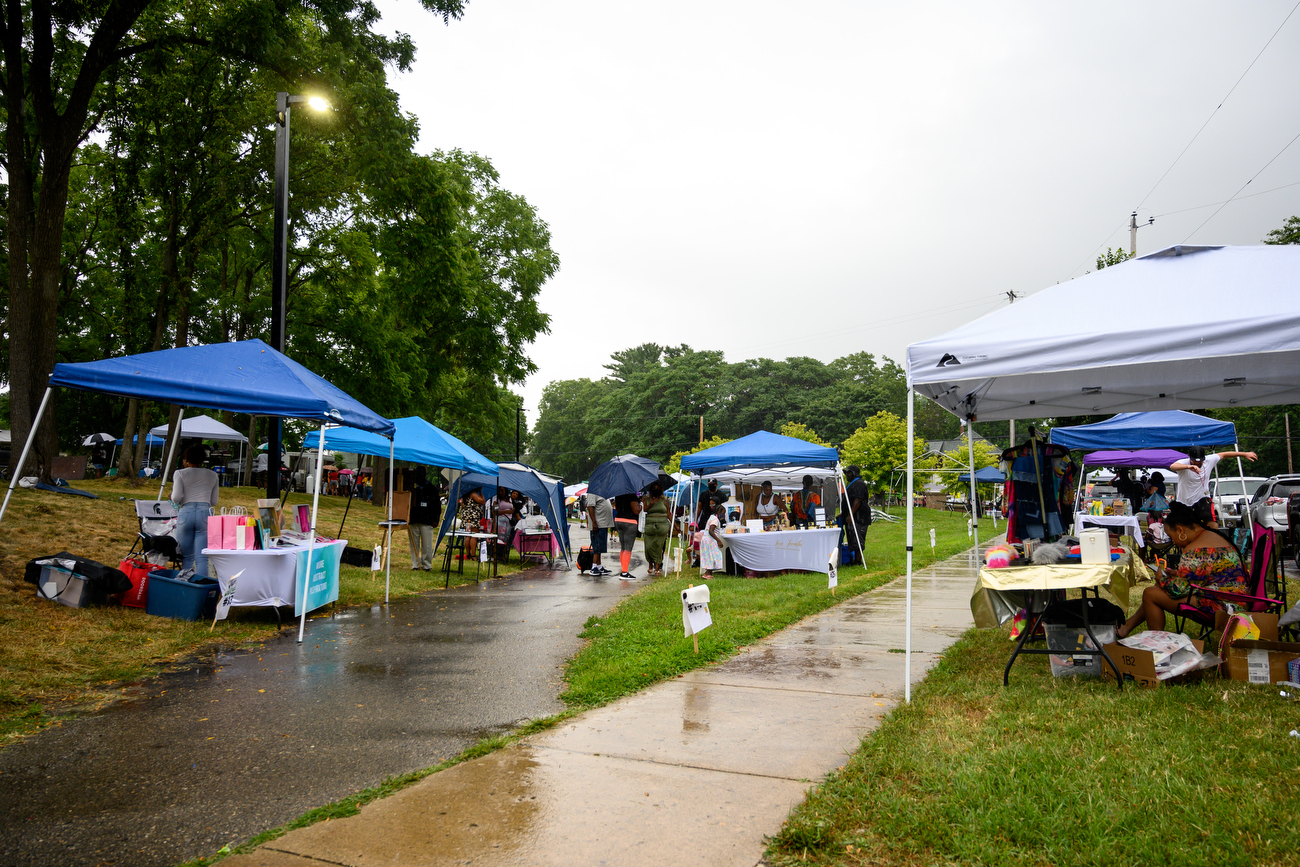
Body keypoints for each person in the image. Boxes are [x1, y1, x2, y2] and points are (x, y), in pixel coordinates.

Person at [1118, 501, 1250, 638]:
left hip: (1223, 606)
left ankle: (1157, 645)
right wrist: (1176, 574)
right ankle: (1126, 627)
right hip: (1236, 599)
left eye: (1172, 537)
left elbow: (1178, 590)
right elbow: (1207, 574)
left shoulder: (1195, 549)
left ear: (1181, 531)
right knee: (1156, 590)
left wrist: (1161, 578)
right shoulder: (1212, 536)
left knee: (1150, 594)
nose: (1174, 542)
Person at [1169, 446, 1257, 526]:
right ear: (1189, 457)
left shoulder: (1209, 460)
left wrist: (1244, 454)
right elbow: (1173, 466)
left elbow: (1224, 455)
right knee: (1184, 526)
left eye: (1200, 461)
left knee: (1212, 524)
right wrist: (1188, 467)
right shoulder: (1184, 463)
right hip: (1184, 501)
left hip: (1202, 500)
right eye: (1195, 461)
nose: (1197, 463)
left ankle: (1213, 541)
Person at [170, 444, 219, 578]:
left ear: (186, 459)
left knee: (187, 556)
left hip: (186, 512)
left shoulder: (180, 473)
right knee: (202, 558)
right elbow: (214, 501)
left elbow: (176, 497)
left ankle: (184, 584)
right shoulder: (212, 475)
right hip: (205, 512)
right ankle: (201, 584)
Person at [407, 468, 441, 571]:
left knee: (427, 545)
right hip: (414, 519)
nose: (418, 478)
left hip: (427, 520)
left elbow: (437, 506)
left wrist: (436, 519)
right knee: (414, 544)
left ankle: (426, 565)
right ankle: (415, 564)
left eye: (420, 475)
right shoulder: (411, 487)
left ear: (424, 476)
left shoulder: (431, 488)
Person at [642, 482, 671, 576]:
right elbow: (645, 510)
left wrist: (676, 526)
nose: (656, 489)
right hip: (650, 526)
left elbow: (668, 514)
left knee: (659, 547)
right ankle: (650, 564)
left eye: (658, 488)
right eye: (654, 488)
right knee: (649, 546)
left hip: (662, 526)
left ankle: (657, 567)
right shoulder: (646, 499)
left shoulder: (664, 500)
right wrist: (650, 504)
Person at [843, 465, 872, 557]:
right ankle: (854, 557)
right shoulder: (852, 484)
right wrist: (843, 513)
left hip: (860, 516)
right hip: (853, 515)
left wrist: (850, 515)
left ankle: (858, 560)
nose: (846, 474)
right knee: (852, 537)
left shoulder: (859, 484)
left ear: (854, 473)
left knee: (858, 538)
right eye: (846, 472)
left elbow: (857, 500)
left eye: (849, 472)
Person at [612, 491, 642, 578]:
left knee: (623, 547)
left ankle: (623, 569)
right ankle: (624, 572)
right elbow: (636, 511)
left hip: (618, 520)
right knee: (628, 548)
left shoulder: (618, 494)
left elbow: (617, 508)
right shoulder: (631, 495)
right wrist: (640, 506)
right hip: (629, 521)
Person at [585, 493, 615, 576]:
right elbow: (590, 506)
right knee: (597, 546)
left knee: (600, 546)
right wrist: (594, 522)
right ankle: (593, 566)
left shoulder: (602, 492)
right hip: (598, 524)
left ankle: (599, 566)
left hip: (603, 524)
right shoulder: (592, 493)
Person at [458, 487, 487, 559]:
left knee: (468, 535)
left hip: (466, 517)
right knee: (474, 535)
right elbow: (482, 501)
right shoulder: (473, 494)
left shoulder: (464, 495)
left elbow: (462, 506)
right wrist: (480, 492)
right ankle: (473, 555)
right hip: (473, 516)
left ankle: (468, 553)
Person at [699, 503, 726, 579]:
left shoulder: (712, 517)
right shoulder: (715, 520)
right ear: (719, 511)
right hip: (710, 540)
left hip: (706, 540)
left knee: (709, 555)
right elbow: (711, 531)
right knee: (713, 555)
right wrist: (719, 541)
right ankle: (708, 573)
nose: (723, 515)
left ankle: (708, 572)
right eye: (723, 513)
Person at [492, 486, 516, 562]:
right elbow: (494, 512)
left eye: (502, 491)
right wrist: (507, 512)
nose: (501, 492)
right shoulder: (497, 500)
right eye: (499, 491)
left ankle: (503, 556)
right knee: (500, 538)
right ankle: (497, 555)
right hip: (500, 520)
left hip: (508, 521)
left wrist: (512, 511)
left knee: (506, 538)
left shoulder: (510, 499)